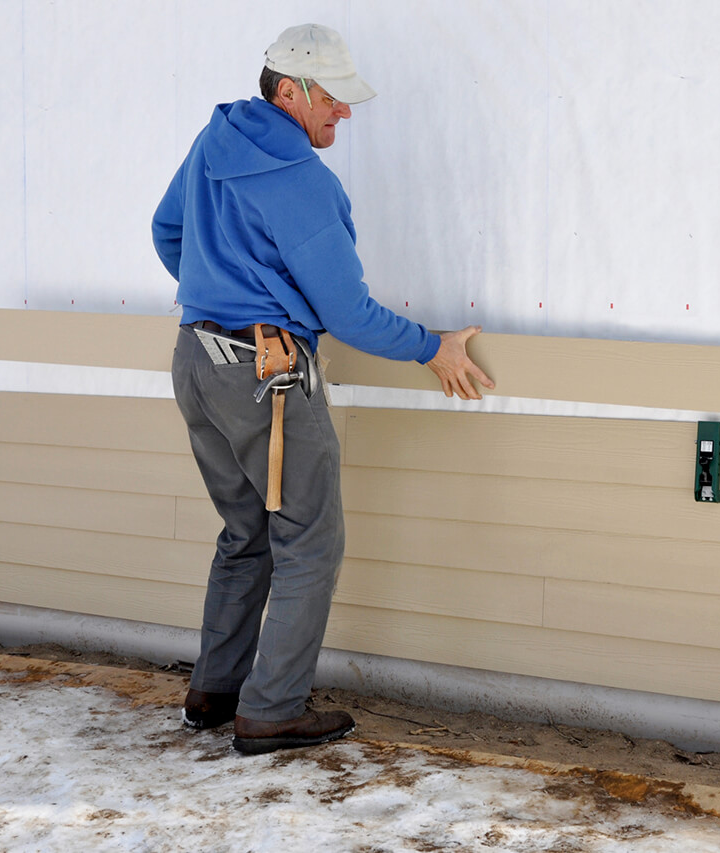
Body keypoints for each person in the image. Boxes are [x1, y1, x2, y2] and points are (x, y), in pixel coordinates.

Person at [151, 23, 493, 755]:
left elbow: (167, 231)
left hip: (196, 360)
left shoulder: (215, 141)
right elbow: (347, 313)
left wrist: (223, 291)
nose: (344, 113)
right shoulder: (302, 180)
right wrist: (434, 347)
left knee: (245, 532)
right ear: (290, 91)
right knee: (310, 541)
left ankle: (214, 691)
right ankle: (270, 709)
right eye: (334, 99)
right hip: (265, 376)